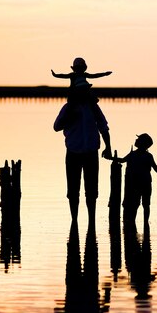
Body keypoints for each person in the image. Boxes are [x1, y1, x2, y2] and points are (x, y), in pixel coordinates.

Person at [54, 85, 112, 223]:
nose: (84, 92)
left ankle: (91, 219)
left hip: (91, 152)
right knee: (73, 190)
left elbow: (103, 126)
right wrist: (70, 116)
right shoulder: (68, 108)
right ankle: (74, 220)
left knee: (91, 190)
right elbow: (56, 127)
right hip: (73, 152)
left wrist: (108, 147)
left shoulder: (93, 107)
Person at [111, 134, 157, 230]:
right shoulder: (144, 155)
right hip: (142, 183)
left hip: (137, 184)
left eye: (139, 139)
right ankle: (144, 223)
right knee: (143, 204)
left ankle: (137, 223)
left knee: (138, 204)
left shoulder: (136, 155)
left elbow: (122, 160)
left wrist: (112, 158)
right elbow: (156, 168)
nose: (136, 140)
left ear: (142, 143)